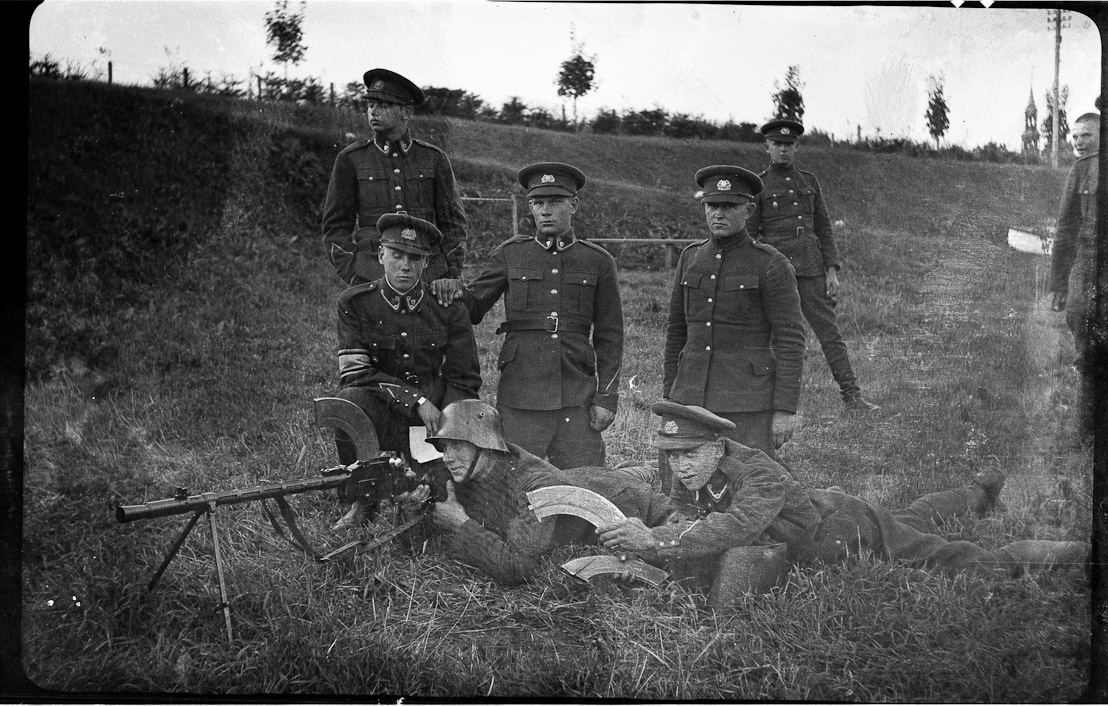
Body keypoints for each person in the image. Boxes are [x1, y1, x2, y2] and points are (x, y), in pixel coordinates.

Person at [593, 401, 1089, 608]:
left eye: (689, 454)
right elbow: (687, 517)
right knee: (916, 514)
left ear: (718, 447)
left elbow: (737, 527)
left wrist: (654, 539)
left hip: (846, 529)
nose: (679, 466)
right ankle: (981, 491)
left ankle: (1065, 552)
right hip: (820, 519)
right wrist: (648, 539)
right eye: (672, 455)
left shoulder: (758, 471)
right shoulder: (690, 470)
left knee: (949, 557)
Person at [460, 162, 624, 469]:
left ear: (574, 205)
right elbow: (471, 307)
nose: (545, 211)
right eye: (537, 203)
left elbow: (610, 335)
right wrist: (447, 286)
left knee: (586, 480)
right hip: (521, 391)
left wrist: (606, 398)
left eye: (555, 202)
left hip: (575, 393)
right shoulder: (511, 254)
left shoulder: (598, 261)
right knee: (513, 480)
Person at [331, 213, 481, 529]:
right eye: (397, 255)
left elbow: (464, 378)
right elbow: (355, 372)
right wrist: (415, 401)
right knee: (347, 403)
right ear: (380, 255)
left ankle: (420, 484)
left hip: (432, 421)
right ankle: (364, 500)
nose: (405, 266)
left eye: (414, 258)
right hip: (382, 412)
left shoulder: (447, 307)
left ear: (426, 263)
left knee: (433, 502)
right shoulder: (355, 303)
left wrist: (447, 431)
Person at [663, 165, 805, 469]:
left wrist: (784, 409)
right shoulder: (691, 257)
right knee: (682, 479)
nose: (718, 214)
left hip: (746, 401)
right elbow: (676, 332)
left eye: (729, 206)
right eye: (712, 205)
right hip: (690, 395)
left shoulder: (770, 264)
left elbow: (790, 340)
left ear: (749, 211)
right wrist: (669, 396)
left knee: (750, 480)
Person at [745, 119, 880, 411]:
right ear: (767, 147)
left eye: (789, 145)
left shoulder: (809, 181)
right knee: (771, 336)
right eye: (777, 144)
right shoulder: (759, 184)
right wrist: (755, 275)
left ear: (796, 147)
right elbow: (750, 235)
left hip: (811, 270)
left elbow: (824, 228)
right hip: (776, 272)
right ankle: (765, 400)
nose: (783, 150)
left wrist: (831, 271)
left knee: (830, 333)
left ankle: (852, 396)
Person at [321, 68, 468, 306]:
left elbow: (454, 224)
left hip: (427, 273)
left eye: (384, 105)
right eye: (370, 105)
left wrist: (449, 273)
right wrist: (353, 272)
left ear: (406, 112)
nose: (374, 111)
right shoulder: (351, 159)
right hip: (371, 273)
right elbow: (335, 227)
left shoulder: (433, 158)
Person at [1049, 110, 1100, 374]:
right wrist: (1058, 284)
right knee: (1078, 316)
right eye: (1075, 137)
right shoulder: (1081, 169)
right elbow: (1066, 229)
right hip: (1088, 260)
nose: (1079, 142)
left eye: (1086, 135)